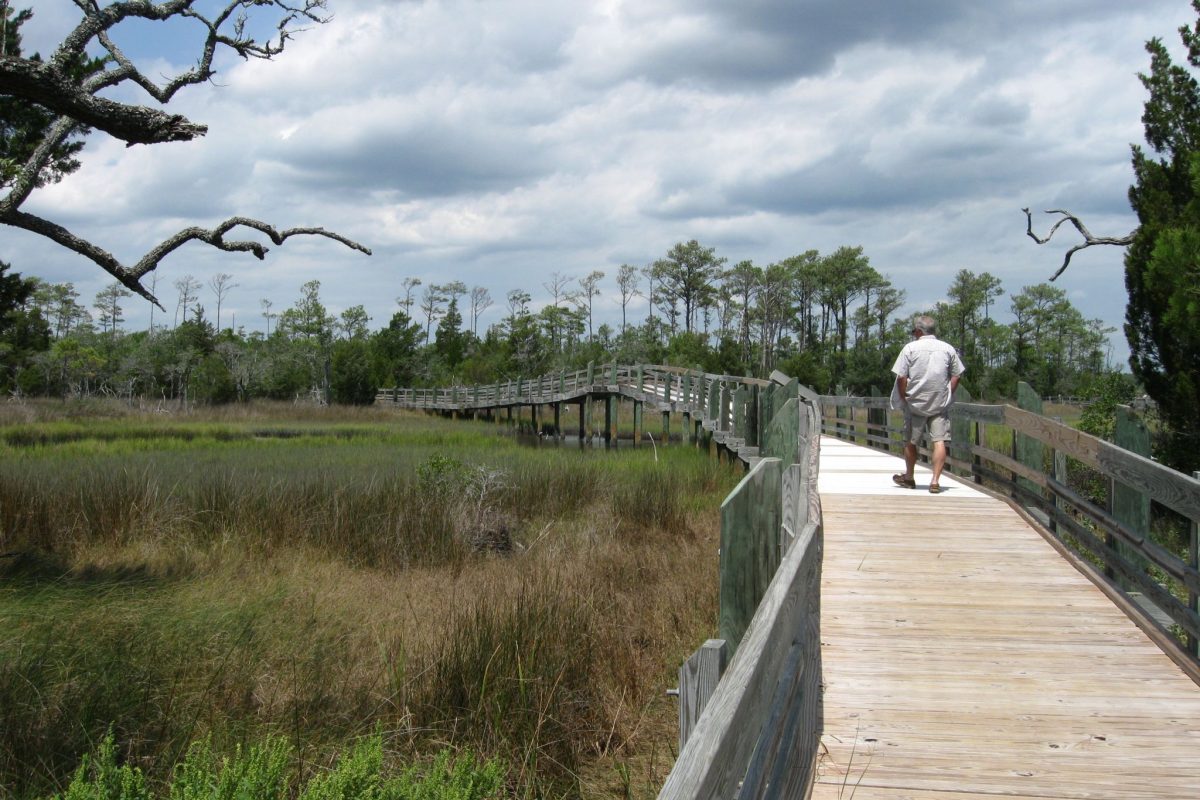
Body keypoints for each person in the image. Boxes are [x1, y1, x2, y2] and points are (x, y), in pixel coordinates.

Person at [890, 314, 965, 493]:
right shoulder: (947, 349)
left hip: (915, 402)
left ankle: (909, 477)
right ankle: (935, 481)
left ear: (918, 331)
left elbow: (901, 376)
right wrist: (949, 392)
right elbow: (957, 374)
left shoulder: (909, 348)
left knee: (910, 441)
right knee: (939, 441)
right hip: (939, 402)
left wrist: (904, 396)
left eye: (914, 332)